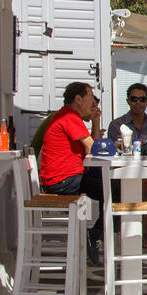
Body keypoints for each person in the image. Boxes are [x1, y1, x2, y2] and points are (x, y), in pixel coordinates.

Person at [38, 82, 106, 260]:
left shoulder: (68, 116)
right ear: (78, 99)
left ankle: (92, 236)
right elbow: (93, 148)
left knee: (111, 188)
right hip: (63, 181)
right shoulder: (70, 117)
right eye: (91, 99)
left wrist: (96, 120)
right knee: (114, 191)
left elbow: (91, 148)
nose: (93, 105)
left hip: (63, 178)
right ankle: (93, 236)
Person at [107, 82, 147, 149]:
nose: (138, 102)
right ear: (128, 101)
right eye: (134, 99)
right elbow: (112, 153)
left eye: (142, 99)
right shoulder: (116, 126)